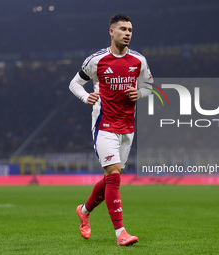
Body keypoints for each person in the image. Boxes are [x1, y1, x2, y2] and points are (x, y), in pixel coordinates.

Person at [69, 14, 153, 246]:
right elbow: (74, 83)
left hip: (127, 126)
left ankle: (84, 210)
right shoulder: (96, 60)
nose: (128, 33)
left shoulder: (139, 61)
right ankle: (121, 233)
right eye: (123, 29)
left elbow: (150, 87)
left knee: (111, 178)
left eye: (130, 30)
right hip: (104, 124)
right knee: (114, 174)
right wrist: (86, 96)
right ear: (111, 32)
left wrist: (141, 93)